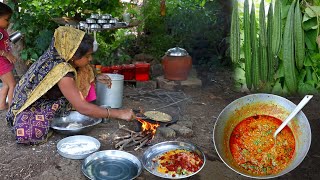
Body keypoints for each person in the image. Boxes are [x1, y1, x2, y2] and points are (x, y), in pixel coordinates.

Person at [6, 26, 134, 145]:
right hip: (25, 110)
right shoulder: (62, 71)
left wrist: (96, 76)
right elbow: (83, 108)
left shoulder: (55, 55)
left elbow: (84, 68)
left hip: (34, 101)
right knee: (32, 132)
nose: (90, 59)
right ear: (72, 54)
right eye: (87, 56)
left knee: (85, 68)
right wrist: (119, 113)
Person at [0, 2, 17, 110]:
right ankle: (12, 108)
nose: (8, 22)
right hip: (1, 62)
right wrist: (6, 54)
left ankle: (2, 105)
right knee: (12, 84)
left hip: (2, 62)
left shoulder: (2, 31)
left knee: (6, 84)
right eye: (6, 19)